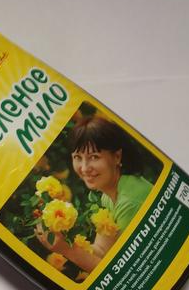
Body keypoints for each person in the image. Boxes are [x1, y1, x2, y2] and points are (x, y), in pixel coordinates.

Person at [35, 115, 153, 273]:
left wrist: (66, 249)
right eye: (78, 157)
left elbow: (124, 274)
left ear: (117, 157)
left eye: (94, 157)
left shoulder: (129, 203)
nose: (84, 168)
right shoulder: (110, 195)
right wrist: (62, 232)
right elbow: (102, 250)